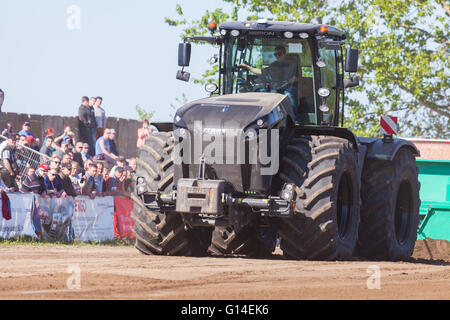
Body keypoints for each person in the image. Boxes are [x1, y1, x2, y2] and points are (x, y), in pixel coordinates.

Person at [240, 45, 298, 111]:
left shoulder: (292, 64)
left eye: (279, 54)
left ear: (284, 54)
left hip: (287, 88)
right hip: (275, 88)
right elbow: (262, 72)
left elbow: (296, 78)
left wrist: (288, 81)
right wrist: (247, 67)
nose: (277, 56)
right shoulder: (274, 65)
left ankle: (295, 118)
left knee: (289, 95)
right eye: (275, 54)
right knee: (261, 92)